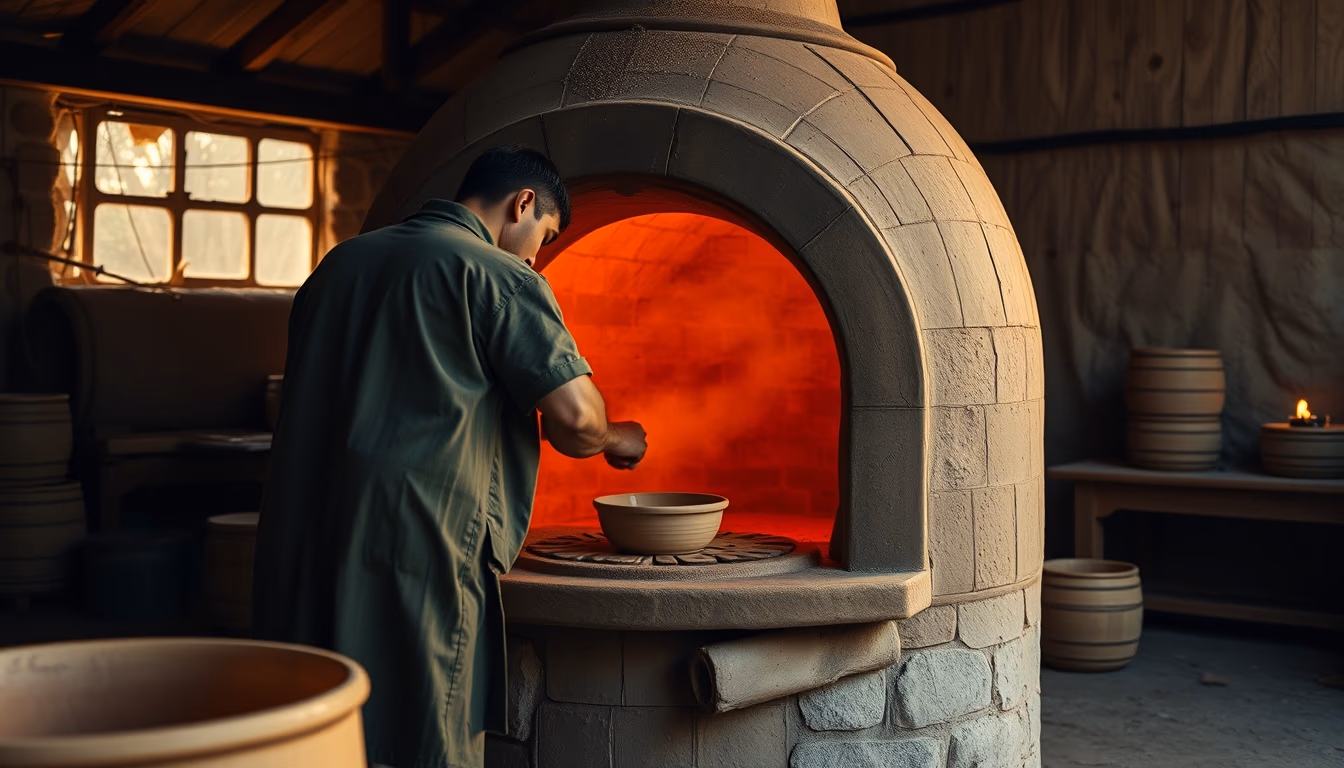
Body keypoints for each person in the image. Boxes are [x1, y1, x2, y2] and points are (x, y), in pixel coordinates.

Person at [251, 145, 648, 768]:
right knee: (425, 730)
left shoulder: (339, 264)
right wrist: (620, 436)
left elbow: (402, 393)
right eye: (540, 237)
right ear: (523, 204)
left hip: (302, 532)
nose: (532, 255)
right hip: (415, 544)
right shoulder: (499, 275)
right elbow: (577, 421)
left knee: (315, 722)